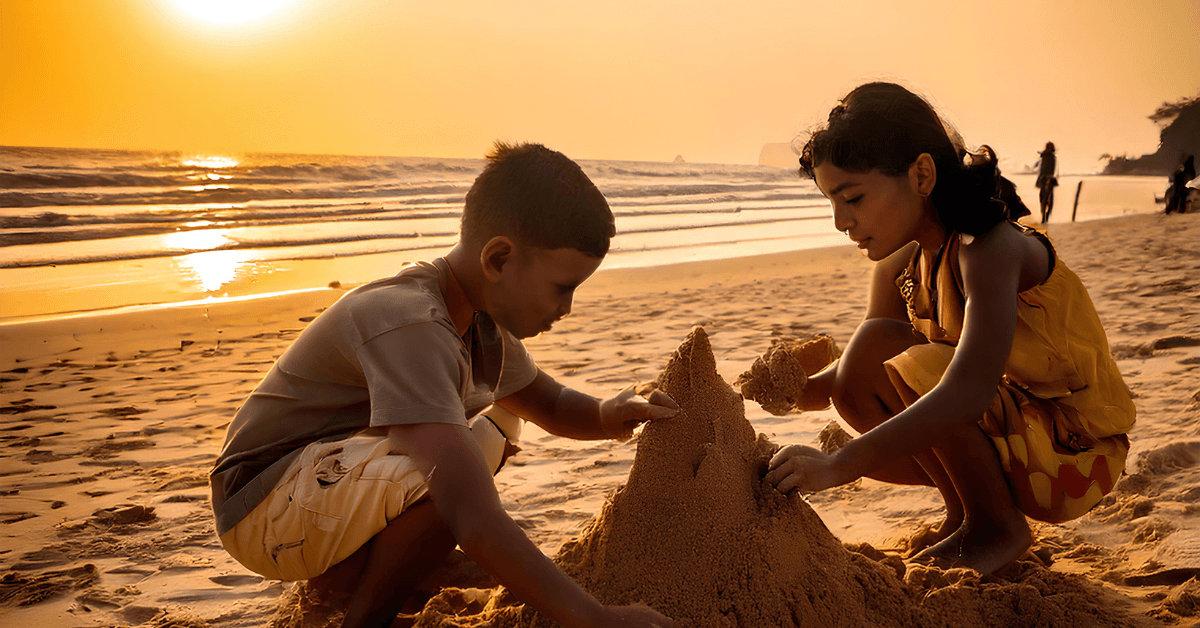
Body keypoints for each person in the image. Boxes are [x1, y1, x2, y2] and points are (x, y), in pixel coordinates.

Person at [209, 142, 679, 628]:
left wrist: (608, 414)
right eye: (562, 287)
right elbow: (466, 508)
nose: (567, 308)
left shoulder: (481, 324)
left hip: (323, 490)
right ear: (498, 259)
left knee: (496, 428)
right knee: (446, 478)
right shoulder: (410, 323)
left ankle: (351, 577)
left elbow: (552, 403)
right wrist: (593, 618)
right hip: (260, 504)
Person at [765, 82, 1136, 576]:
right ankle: (966, 515)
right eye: (831, 202)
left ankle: (996, 525)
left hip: (1075, 454)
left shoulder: (991, 250)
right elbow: (854, 380)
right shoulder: (899, 265)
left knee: (907, 358)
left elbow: (970, 388)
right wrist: (788, 390)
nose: (839, 222)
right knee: (872, 353)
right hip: (1019, 438)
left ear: (921, 174)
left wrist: (839, 465)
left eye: (851, 197)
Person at [1034, 141, 1058, 223]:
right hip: (1043, 181)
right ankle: (1044, 217)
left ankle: (1045, 218)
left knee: (1048, 201)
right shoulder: (1044, 156)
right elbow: (1040, 167)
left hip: (1049, 181)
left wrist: (1048, 181)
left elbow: (1052, 170)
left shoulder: (1052, 157)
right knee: (1042, 200)